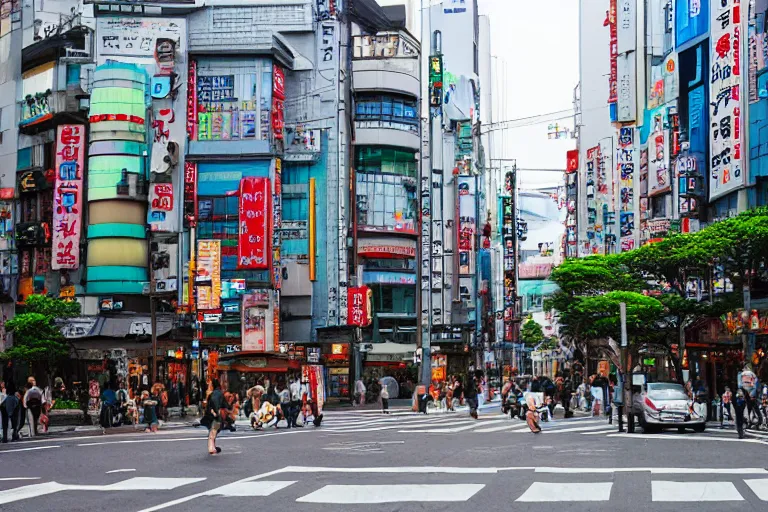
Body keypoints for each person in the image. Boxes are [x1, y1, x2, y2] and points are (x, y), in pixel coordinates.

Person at [202, 379, 227, 454]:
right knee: (213, 431)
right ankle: (212, 447)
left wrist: (215, 412)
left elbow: (214, 403)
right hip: (216, 415)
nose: (209, 386)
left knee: (212, 432)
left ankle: (212, 448)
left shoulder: (214, 394)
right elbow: (224, 404)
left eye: (210, 385)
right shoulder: (219, 393)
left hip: (213, 415)